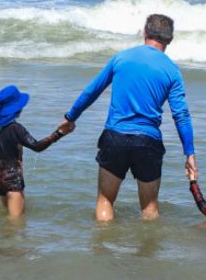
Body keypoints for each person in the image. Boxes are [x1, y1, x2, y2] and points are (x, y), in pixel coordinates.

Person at [58, 14, 197, 222]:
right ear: (170, 40)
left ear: (145, 32)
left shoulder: (121, 58)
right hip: (148, 141)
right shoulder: (172, 71)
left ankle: (102, 249)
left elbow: (92, 91)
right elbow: (181, 115)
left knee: (105, 200)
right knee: (150, 209)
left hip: (115, 137)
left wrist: (71, 117)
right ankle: (147, 253)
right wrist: (189, 153)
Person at [0, 85, 65, 219]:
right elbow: (37, 146)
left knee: (8, 223)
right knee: (15, 225)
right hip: (13, 181)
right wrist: (58, 134)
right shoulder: (16, 129)